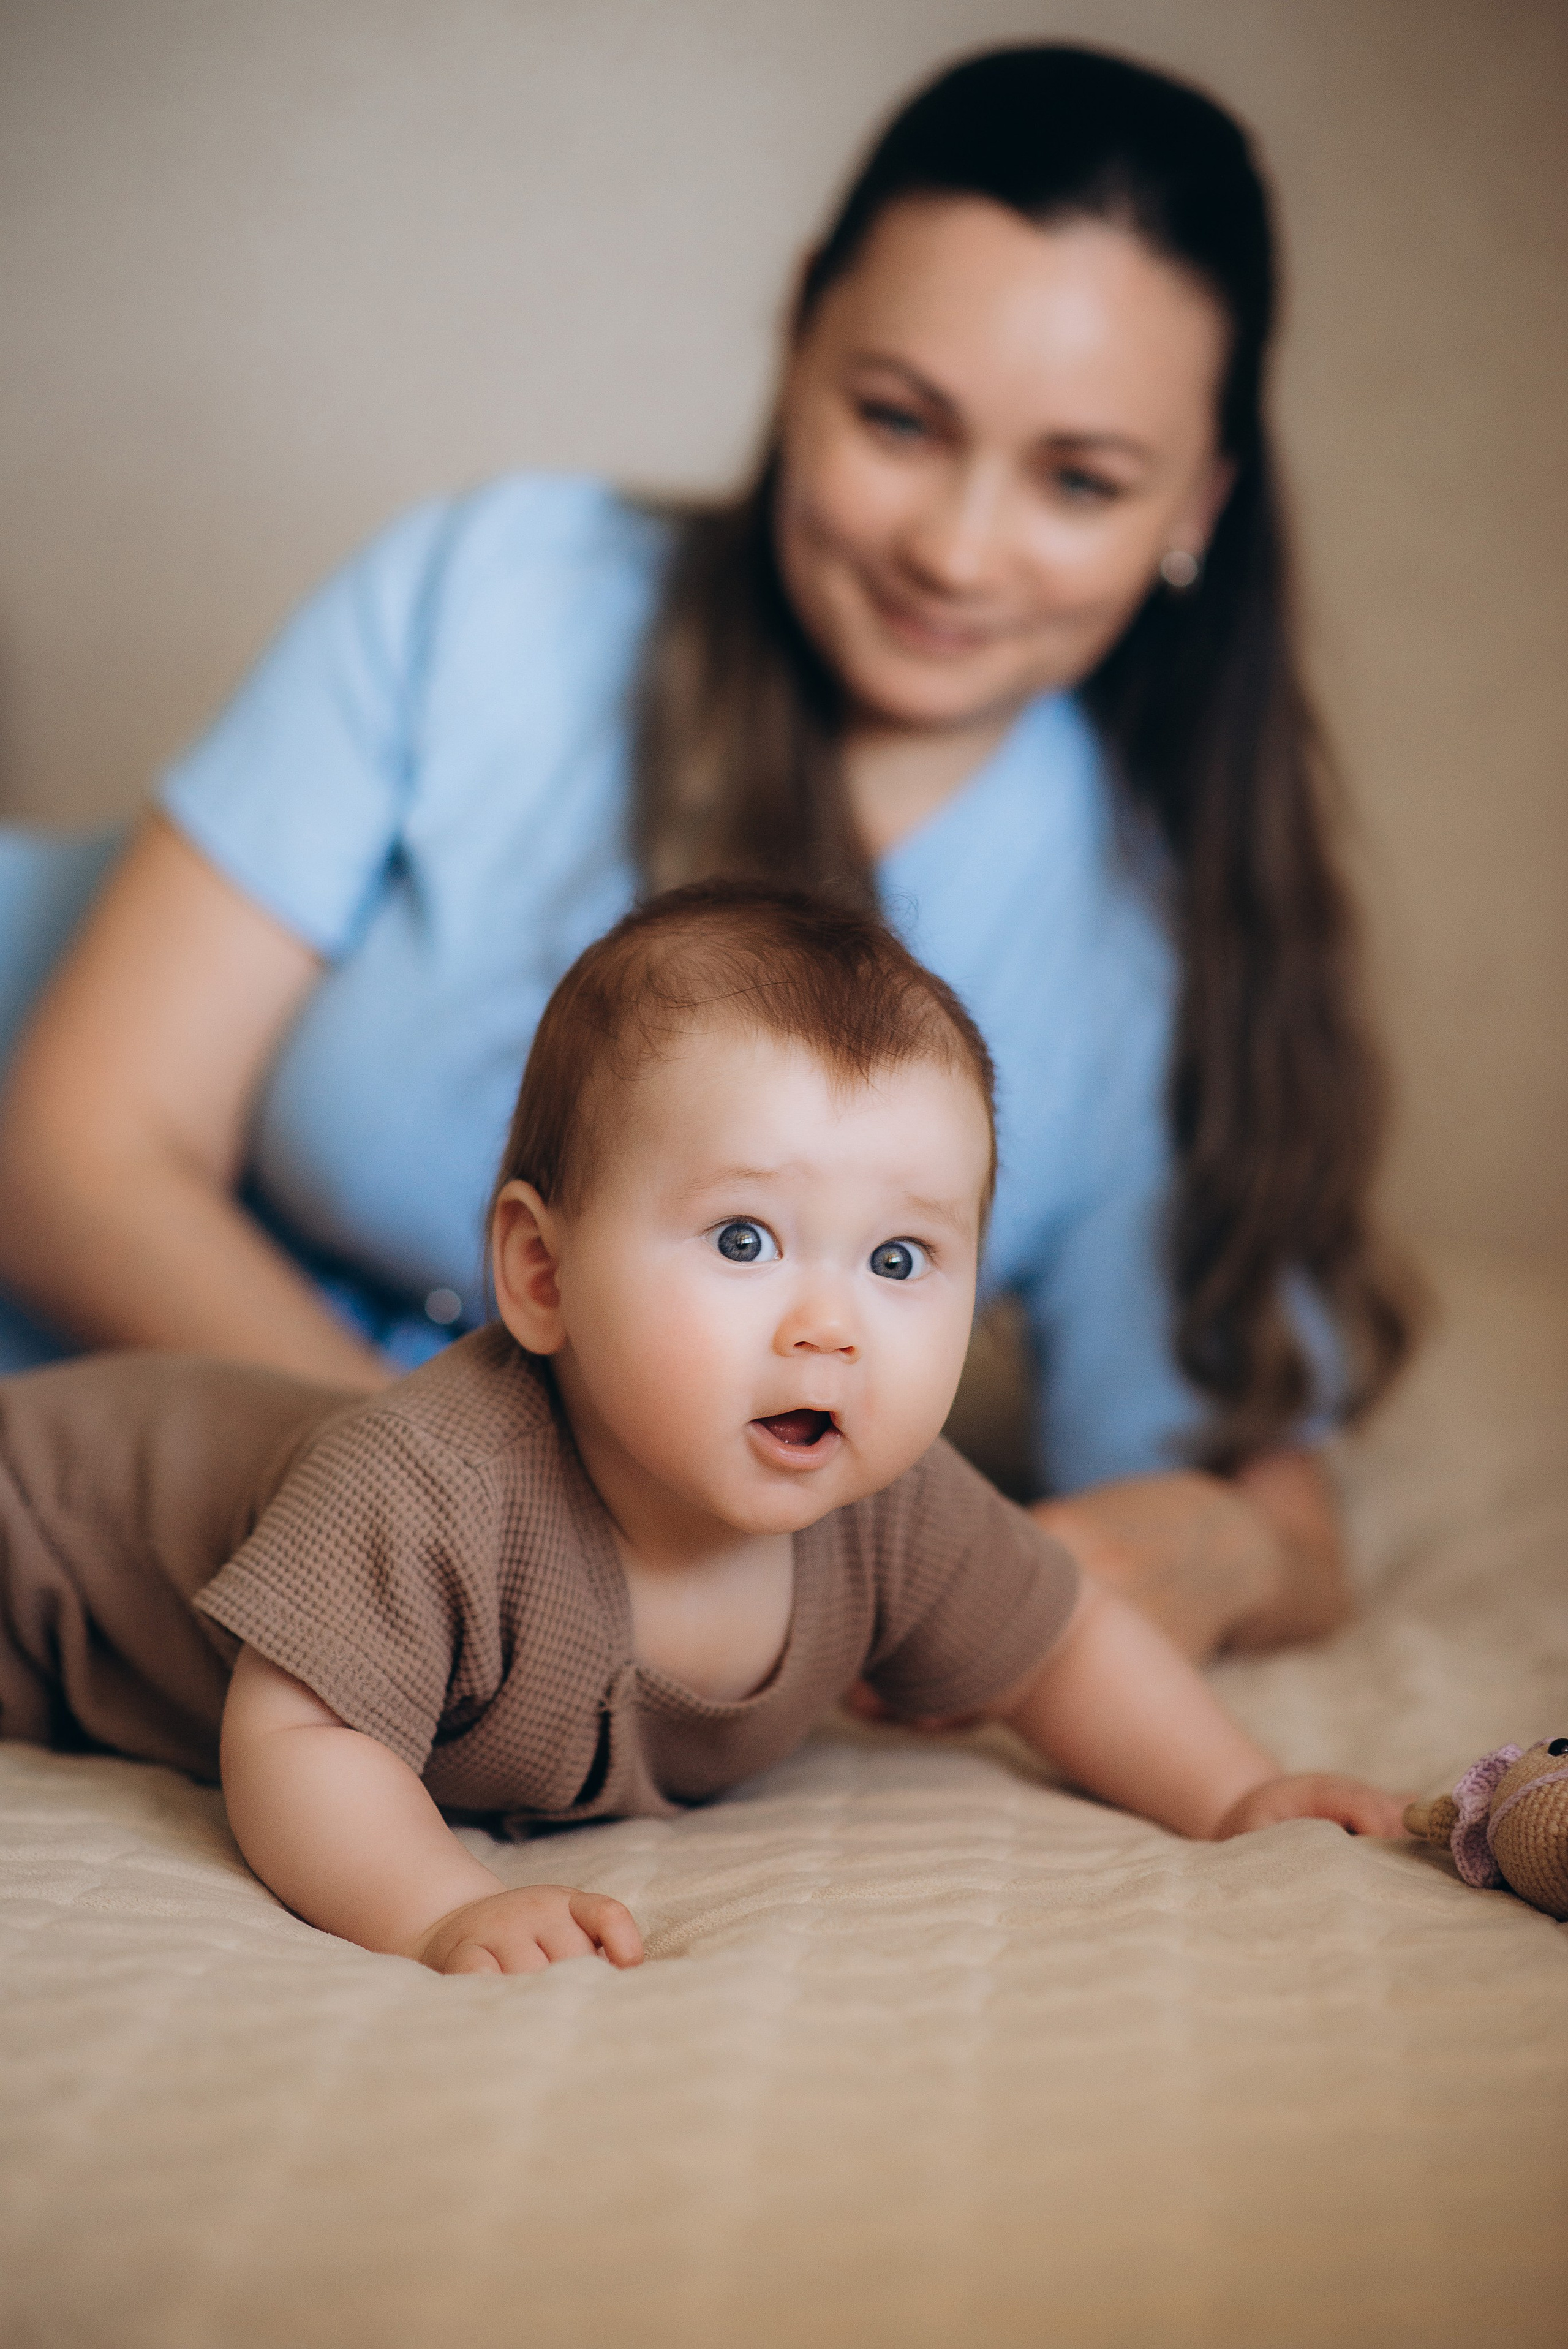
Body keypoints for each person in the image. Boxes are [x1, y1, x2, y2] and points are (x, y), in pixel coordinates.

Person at [0, 44, 1415, 1661]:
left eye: (1079, 481)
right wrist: (508, 1529)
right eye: (898, 420)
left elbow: (1249, 1494)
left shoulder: (1147, 955)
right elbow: (75, 1159)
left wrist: (1227, 1548)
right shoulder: (499, 590)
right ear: (800, 331)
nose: (955, 549)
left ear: (1197, 505)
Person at [0, 887, 1407, 1975]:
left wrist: (1234, 1791)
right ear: (541, 1273)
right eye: (744, 1238)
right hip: (37, 1527)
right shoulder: (432, 1484)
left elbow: (1066, 1640)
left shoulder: (891, 1506)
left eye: (899, 1259)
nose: (829, 1327)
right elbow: (302, 1735)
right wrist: (437, 1909)